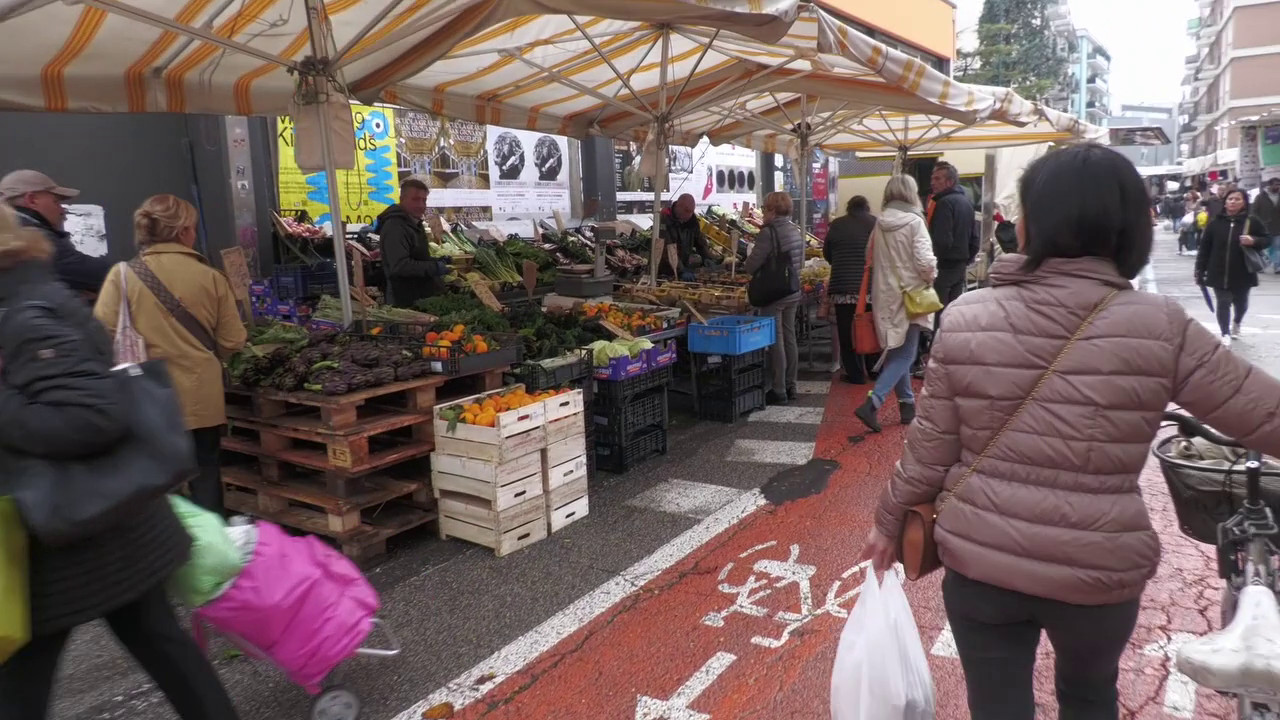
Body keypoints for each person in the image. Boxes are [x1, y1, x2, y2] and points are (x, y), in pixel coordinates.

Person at [859, 143, 1280, 720]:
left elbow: (929, 451)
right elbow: (1263, 415)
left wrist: (888, 525)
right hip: (1098, 571)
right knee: (1088, 697)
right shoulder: (1160, 326)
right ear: (1134, 228)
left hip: (983, 565)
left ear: (1029, 225)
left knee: (997, 704)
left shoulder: (967, 317)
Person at [0, 204, 240, 720]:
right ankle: (219, 553)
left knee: (24, 682)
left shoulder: (102, 281)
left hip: (74, 522)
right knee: (160, 638)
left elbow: (103, 353)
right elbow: (233, 338)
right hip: (167, 429)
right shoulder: (205, 275)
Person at [93, 194, 247, 515]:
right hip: (200, 398)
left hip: (145, 396)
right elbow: (233, 341)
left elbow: (99, 334)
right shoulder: (211, 277)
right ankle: (212, 542)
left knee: (158, 480)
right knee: (205, 471)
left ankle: (165, 549)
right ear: (183, 231)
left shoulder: (121, 275)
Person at [853, 175, 937, 432]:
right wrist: (932, 275)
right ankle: (873, 402)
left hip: (884, 294)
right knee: (906, 353)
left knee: (897, 350)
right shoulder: (915, 222)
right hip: (911, 296)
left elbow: (871, 259)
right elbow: (925, 263)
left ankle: (907, 405)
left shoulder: (880, 224)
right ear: (912, 193)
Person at [0, 169, 112, 300]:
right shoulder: (34, 238)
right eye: (56, 202)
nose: (62, 210)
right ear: (32, 200)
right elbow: (96, 274)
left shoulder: (12, 235)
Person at [745, 191, 804, 405]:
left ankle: (778, 389)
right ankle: (791, 384)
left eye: (764, 208)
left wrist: (747, 259)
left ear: (772, 210)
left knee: (777, 339)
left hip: (775, 293)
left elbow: (751, 265)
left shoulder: (768, 233)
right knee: (790, 337)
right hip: (793, 290)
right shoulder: (795, 230)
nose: (762, 212)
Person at [1195, 188, 1271, 345]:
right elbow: (1204, 248)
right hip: (1218, 271)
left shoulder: (1252, 221)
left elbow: (1267, 239)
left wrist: (1254, 241)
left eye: (1237, 199)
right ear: (1225, 202)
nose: (1233, 202)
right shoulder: (1215, 223)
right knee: (1223, 302)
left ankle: (1237, 322)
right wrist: (1199, 270)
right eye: (1230, 199)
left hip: (1243, 271)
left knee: (1241, 303)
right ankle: (1225, 333)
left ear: (1244, 202)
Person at [823, 195, 878, 384]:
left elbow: (827, 252)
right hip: (868, 288)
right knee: (871, 327)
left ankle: (855, 374)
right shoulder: (875, 223)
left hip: (843, 287)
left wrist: (839, 263)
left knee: (847, 333)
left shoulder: (837, 224)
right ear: (866, 207)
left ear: (849, 208)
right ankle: (873, 369)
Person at [376, 176, 452, 307]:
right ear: (402, 199)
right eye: (416, 200)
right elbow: (400, 266)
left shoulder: (413, 223)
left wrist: (436, 261)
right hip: (405, 299)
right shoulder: (395, 227)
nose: (421, 205)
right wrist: (434, 267)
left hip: (419, 296)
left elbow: (416, 257)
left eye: (424, 200)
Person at [925, 161, 975, 324]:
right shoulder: (966, 203)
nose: (933, 182)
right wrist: (967, 259)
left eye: (938, 179)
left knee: (939, 313)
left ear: (950, 182)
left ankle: (937, 345)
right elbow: (974, 238)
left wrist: (934, 261)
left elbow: (942, 240)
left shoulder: (944, 203)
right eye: (932, 178)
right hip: (960, 266)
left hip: (944, 267)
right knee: (954, 312)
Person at [658, 193, 712, 281]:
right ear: (678, 206)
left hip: (682, 265)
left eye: (691, 211)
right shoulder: (664, 219)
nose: (689, 215)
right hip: (663, 270)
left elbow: (699, 240)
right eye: (687, 211)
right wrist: (681, 270)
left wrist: (706, 256)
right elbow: (667, 248)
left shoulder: (691, 220)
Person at [1255, 175, 1280, 271]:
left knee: (1276, 246)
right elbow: (1254, 211)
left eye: (1279, 184)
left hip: (1278, 226)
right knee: (1266, 248)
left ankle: (1277, 266)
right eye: (1276, 184)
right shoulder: (1261, 197)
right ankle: (1265, 262)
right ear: (1270, 186)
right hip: (1264, 227)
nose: (1278, 186)